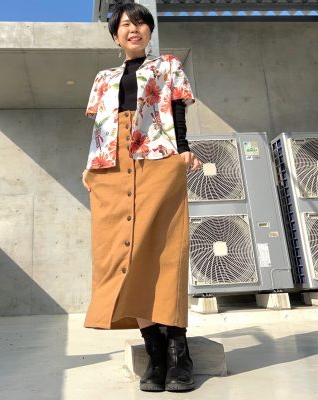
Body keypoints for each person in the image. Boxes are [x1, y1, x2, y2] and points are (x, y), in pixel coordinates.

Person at [82, 2, 202, 393]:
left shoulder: (167, 65)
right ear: (115, 36)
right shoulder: (104, 77)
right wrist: (90, 166)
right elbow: (100, 128)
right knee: (125, 255)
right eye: (124, 25)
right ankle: (155, 354)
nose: (132, 29)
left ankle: (179, 356)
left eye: (139, 23)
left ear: (149, 30)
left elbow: (177, 109)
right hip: (111, 163)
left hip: (158, 157)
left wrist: (184, 149)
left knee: (165, 251)